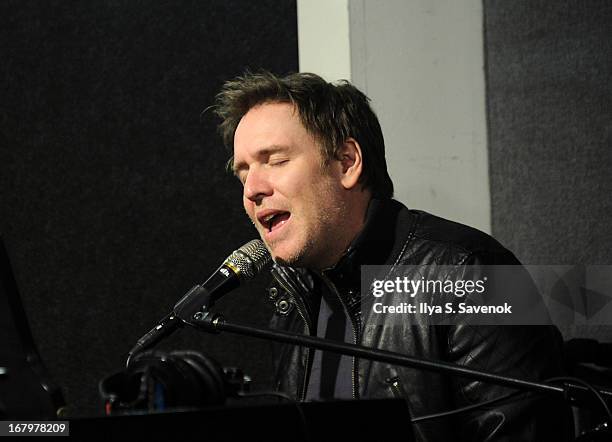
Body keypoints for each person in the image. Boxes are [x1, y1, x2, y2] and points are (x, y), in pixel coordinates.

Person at [214, 71, 571, 441]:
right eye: (243, 174)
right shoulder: (293, 304)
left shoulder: (473, 272)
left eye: (274, 160)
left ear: (347, 162)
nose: (252, 190)